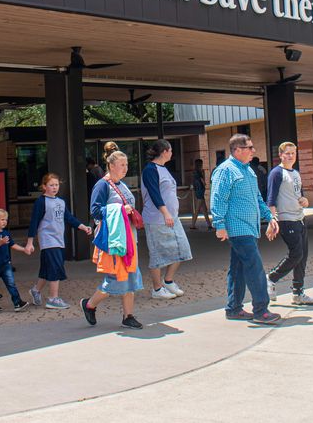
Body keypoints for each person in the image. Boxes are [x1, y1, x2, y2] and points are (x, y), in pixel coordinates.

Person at [210, 134, 281, 324]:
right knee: (254, 267)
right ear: (237, 150)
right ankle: (261, 311)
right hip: (237, 228)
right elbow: (218, 199)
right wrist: (219, 225)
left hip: (250, 227)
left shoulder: (248, 170)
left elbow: (258, 198)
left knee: (238, 269)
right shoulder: (225, 170)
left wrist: (270, 217)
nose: (253, 151)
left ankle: (233, 308)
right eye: (250, 147)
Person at [80, 142, 144, 330]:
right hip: (114, 239)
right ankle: (90, 304)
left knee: (130, 275)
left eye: (126, 164)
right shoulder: (102, 185)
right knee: (115, 277)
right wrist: (120, 210)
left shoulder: (121, 184)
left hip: (129, 237)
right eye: (122, 165)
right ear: (111, 166)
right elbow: (95, 211)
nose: (126, 168)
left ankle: (128, 315)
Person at [25, 173, 92, 309]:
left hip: (58, 240)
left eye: (56, 185)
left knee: (46, 269)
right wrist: (30, 242)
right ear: (44, 187)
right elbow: (34, 222)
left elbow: (69, 218)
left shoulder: (61, 202)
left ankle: (35, 290)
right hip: (48, 240)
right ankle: (53, 298)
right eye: (51, 185)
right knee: (55, 268)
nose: (55, 187)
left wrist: (83, 227)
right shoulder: (41, 202)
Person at [266, 142, 313, 305]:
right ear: (280, 155)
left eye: (293, 153)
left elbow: (298, 195)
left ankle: (298, 293)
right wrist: (272, 220)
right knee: (296, 254)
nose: (290, 156)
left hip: (300, 218)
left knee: (303, 257)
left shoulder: (295, 173)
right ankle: (271, 278)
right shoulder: (276, 173)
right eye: (287, 153)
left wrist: (305, 201)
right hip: (286, 220)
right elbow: (271, 199)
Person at [141, 139, 192, 299]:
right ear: (164, 152)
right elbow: (154, 193)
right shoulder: (150, 169)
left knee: (183, 250)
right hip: (157, 219)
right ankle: (157, 289)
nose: (172, 153)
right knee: (157, 255)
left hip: (172, 218)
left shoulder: (164, 169)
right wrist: (165, 212)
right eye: (170, 150)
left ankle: (168, 281)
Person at [0, 208, 30, 312]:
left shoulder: (6, 233)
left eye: (6, 220)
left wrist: (24, 249)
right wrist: (0, 243)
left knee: (11, 284)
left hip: (6, 264)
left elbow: (13, 245)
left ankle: (17, 302)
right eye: (2, 219)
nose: (4, 222)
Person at [190, 158, 212, 231]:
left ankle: (209, 225)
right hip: (201, 191)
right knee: (197, 209)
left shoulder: (194, 172)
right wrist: (205, 184)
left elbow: (194, 182)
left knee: (204, 209)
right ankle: (192, 225)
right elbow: (202, 180)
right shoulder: (200, 172)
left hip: (197, 191)